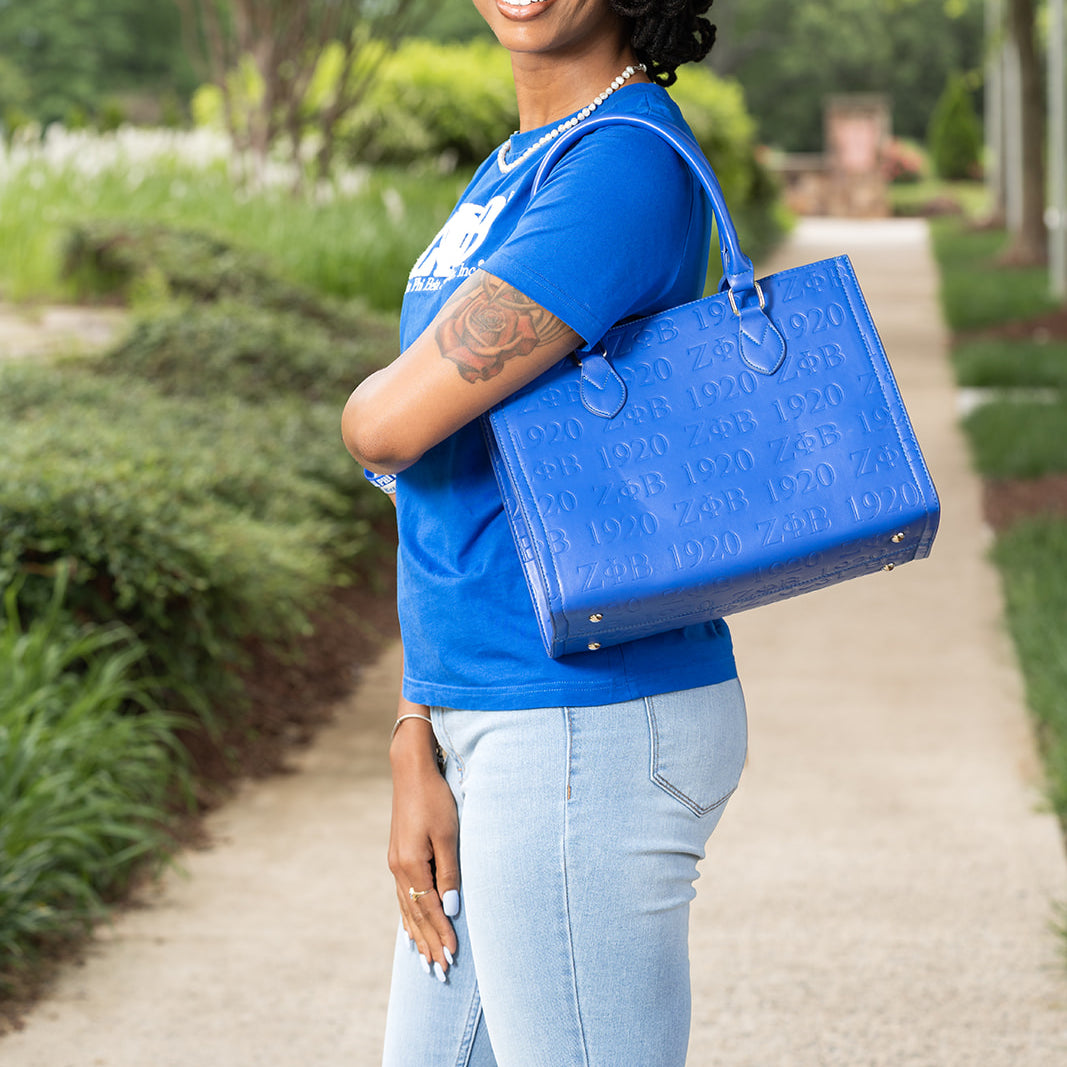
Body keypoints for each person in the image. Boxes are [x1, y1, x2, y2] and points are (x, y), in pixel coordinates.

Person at [342, 2, 747, 1063]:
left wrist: (365, 411)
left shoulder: (621, 163)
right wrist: (413, 732)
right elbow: (447, 487)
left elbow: (391, 425)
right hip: (484, 704)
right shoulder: (522, 160)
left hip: (582, 720)